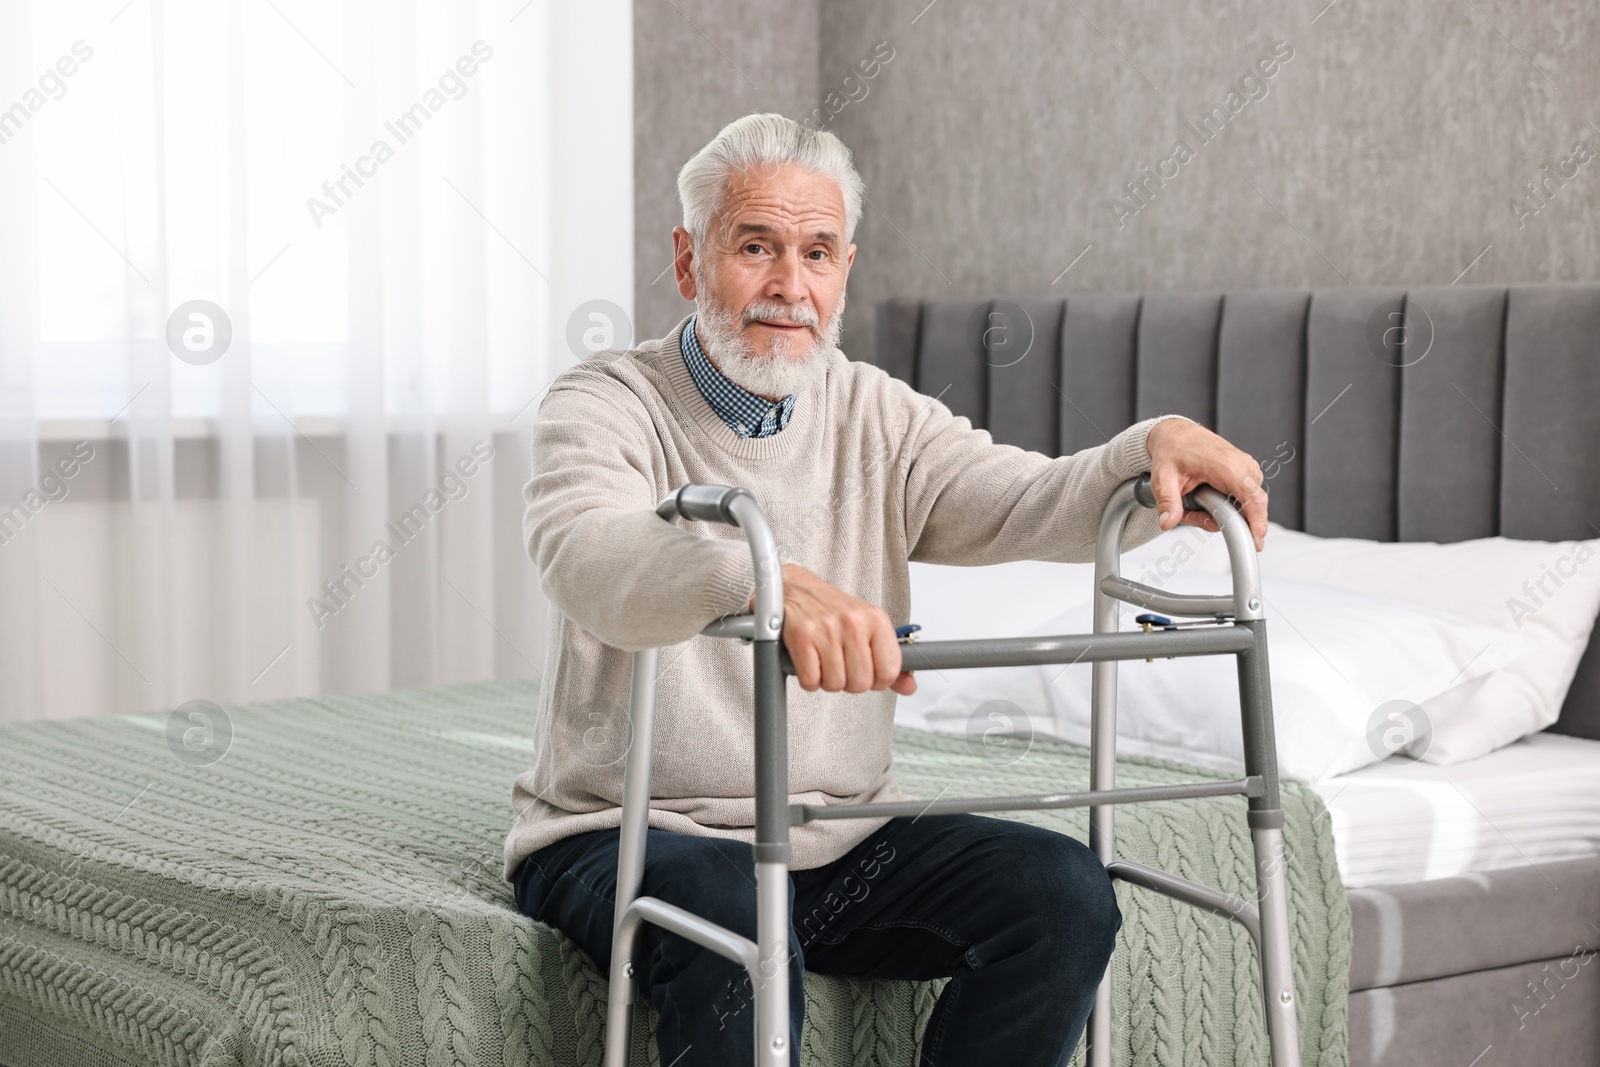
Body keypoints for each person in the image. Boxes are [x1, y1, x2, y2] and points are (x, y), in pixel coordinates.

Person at [504, 111, 1269, 1066]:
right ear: (689, 260)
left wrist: (1145, 449)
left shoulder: (878, 415)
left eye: (817, 253)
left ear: (845, 270)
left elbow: (1029, 498)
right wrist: (764, 577)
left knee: (1063, 895)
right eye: (757, 247)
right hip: (625, 832)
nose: (791, 286)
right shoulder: (603, 402)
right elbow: (589, 557)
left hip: (834, 838)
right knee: (740, 930)